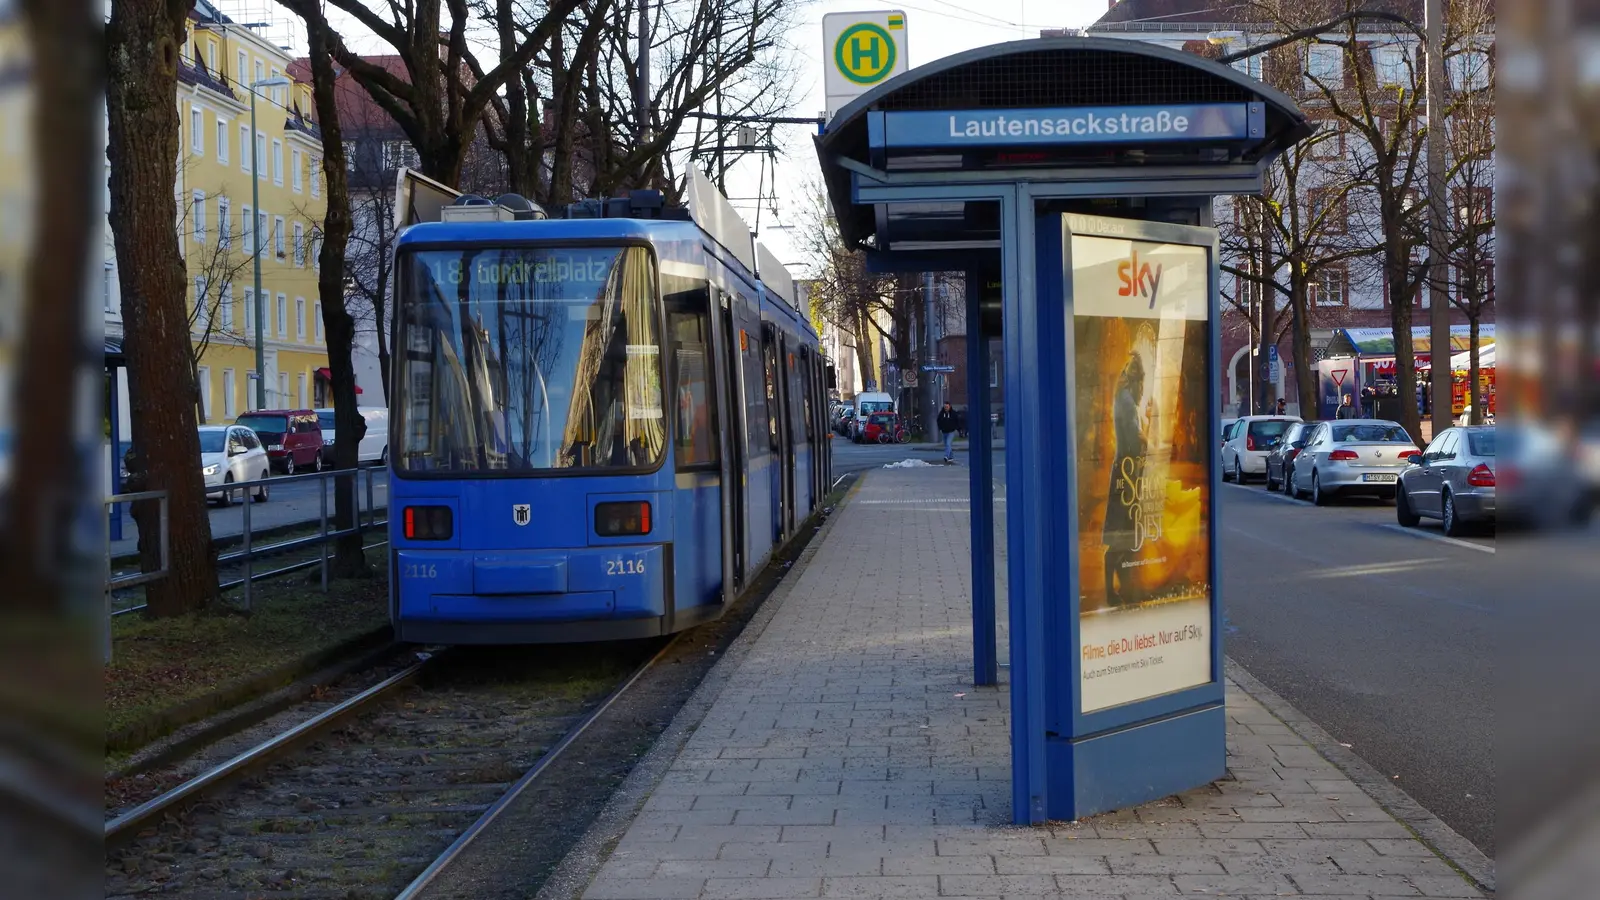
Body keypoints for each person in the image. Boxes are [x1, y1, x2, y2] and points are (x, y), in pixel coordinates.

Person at [1104, 353, 1148, 608]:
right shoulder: (1128, 403)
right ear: (1136, 381)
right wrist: (1149, 440)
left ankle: (1121, 588)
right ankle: (1112, 590)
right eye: (1142, 383)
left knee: (1124, 533)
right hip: (1127, 474)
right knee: (1122, 533)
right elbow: (1134, 441)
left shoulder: (1123, 399)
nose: (1143, 389)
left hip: (1124, 472)